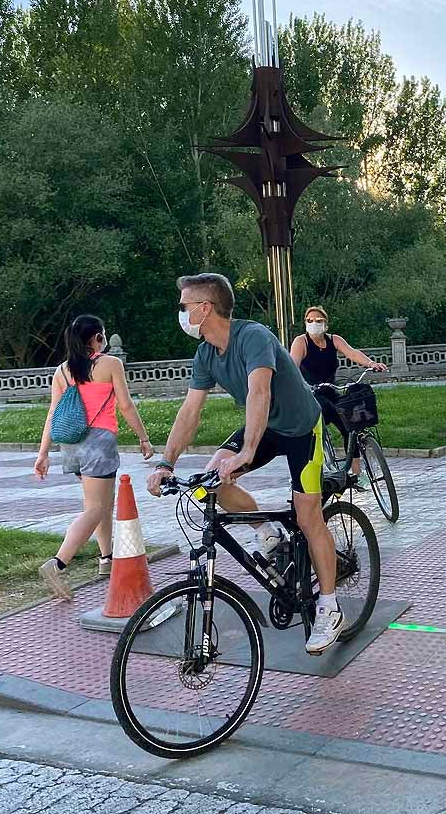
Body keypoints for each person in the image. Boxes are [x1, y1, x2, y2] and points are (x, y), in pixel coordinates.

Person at [144, 274, 343, 654]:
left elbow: (259, 391)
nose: (181, 314)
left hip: (302, 427)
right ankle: (266, 529)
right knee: (212, 478)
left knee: (308, 517)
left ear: (205, 308)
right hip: (264, 426)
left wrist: (247, 452)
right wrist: (166, 463)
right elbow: (190, 411)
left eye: (184, 307)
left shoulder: (252, 336)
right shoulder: (205, 354)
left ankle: (330, 608)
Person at [34, 315, 154, 600]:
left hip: (72, 444)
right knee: (96, 509)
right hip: (99, 443)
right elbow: (124, 405)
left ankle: (107, 558)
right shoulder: (110, 364)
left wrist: (43, 454)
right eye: (102, 336)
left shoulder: (62, 371)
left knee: (98, 504)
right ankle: (58, 563)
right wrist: (144, 437)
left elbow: (53, 413)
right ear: (96, 338)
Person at [290, 305, 389, 485]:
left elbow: (352, 353)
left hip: (331, 389)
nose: (314, 324)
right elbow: (292, 366)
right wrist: (299, 384)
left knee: (350, 424)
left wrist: (370, 363)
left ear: (325, 324)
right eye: (310, 321)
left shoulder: (334, 340)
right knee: (324, 418)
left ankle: (358, 475)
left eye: (318, 321)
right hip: (311, 393)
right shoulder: (301, 342)